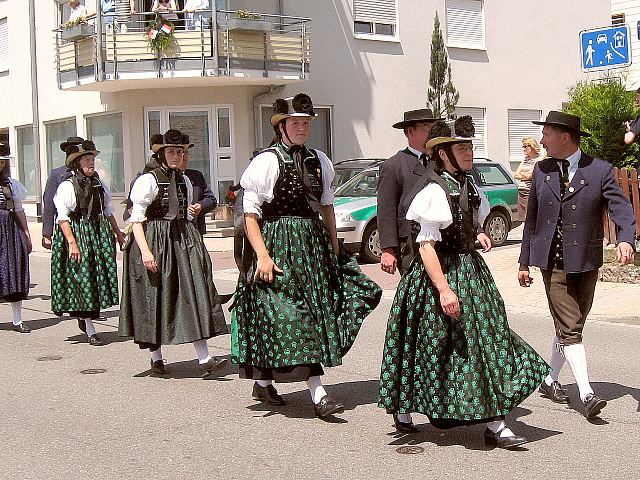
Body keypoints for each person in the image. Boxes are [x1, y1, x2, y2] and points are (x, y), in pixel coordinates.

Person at [379, 117, 549, 448]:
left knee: (489, 340)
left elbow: (470, 218)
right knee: (431, 344)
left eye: (470, 147)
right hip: (439, 274)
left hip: (471, 271)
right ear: (443, 154)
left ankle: (495, 422)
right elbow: (425, 245)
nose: (469, 153)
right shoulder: (433, 189)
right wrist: (443, 289)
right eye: (461, 148)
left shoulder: (466, 183)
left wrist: (481, 232)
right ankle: (407, 407)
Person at [232, 94, 381, 418]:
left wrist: (334, 246)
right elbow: (250, 214)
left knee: (314, 314)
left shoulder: (319, 160)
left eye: (306, 123)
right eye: (296, 123)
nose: (302, 128)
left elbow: (327, 205)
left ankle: (264, 380)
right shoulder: (266, 162)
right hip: (278, 244)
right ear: (282, 126)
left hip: (311, 247)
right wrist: (263, 257)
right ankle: (318, 393)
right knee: (291, 318)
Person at [519, 111, 636, 419]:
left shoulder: (599, 170)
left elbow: (620, 207)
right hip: (551, 262)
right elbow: (530, 220)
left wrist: (626, 238)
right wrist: (523, 262)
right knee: (571, 326)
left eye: (546, 134)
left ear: (565, 137)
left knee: (572, 325)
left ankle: (548, 379)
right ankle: (586, 394)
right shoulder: (541, 170)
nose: (542, 140)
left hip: (585, 261)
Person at [119, 129, 228, 375]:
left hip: (181, 240)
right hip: (154, 241)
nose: (177, 156)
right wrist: (146, 253)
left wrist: (195, 245)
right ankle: (156, 358)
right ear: (161, 154)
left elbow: (187, 214)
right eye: (172, 151)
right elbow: (136, 220)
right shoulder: (147, 180)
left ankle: (205, 358)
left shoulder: (185, 180)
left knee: (192, 294)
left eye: (180, 152)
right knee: (155, 298)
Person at [51, 140, 125, 346]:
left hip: (97, 232)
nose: (91, 163)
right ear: (77, 163)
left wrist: (118, 234)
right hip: (77, 231)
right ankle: (90, 328)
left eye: (92, 159)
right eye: (86, 160)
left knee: (95, 277)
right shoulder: (68, 186)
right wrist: (72, 243)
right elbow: (63, 217)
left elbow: (107, 211)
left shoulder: (99, 183)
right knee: (83, 278)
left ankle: (87, 319)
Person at [378, 108, 442, 276]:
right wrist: (387, 249)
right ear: (410, 132)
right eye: (426, 128)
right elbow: (386, 210)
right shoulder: (393, 166)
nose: (431, 133)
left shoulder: (440, 162)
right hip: (410, 245)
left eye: (432, 127)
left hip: (440, 241)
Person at [0, 144, 32, 334]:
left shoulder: (11, 184)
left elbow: (18, 209)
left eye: (3, 161)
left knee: (14, 270)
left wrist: (26, 233)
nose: (1, 164)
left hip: (9, 228)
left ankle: (17, 319)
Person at [42, 136, 83, 250]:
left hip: (87, 225)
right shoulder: (57, 174)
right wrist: (47, 233)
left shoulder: (90, 174)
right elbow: (49, 204)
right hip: (66, 223)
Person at [178, 133, 217, 235]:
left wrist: (200, 206)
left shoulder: (196, 176)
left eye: (186, 153)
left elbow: (211, 200)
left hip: (196, 230)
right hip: (176, 233)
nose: (185, 158)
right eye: (181, 154)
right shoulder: (164, 178)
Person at [514, 136, 544, 221]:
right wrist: (525, 175)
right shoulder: (525, 159)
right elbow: (516, 175)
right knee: (523, 219)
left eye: (525, 146)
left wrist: (523, 175)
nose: (523, 149)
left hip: (530, 191)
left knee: (530, 217)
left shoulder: (539, 159)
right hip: (521, 191)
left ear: (532, 146)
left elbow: (531, 175)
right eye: (523, 146)